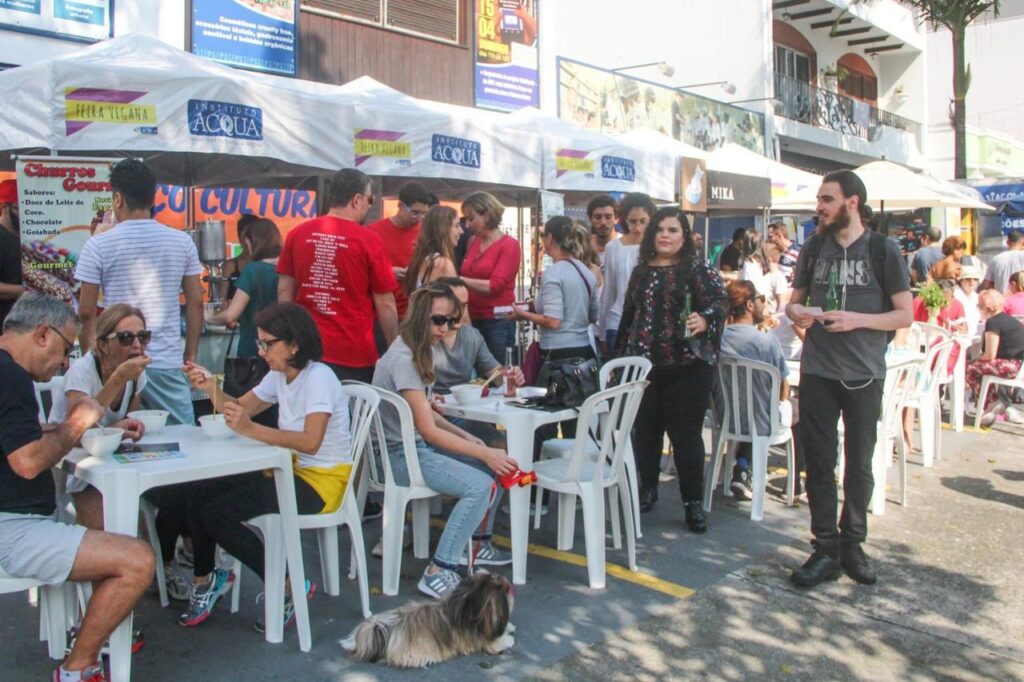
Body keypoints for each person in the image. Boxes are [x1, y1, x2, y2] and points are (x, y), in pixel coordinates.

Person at [0, 293, 154, 682]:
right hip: (13, 529)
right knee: (136, 560)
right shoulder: (11, 377)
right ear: (41, 335)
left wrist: (64, 426)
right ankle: (77, 668)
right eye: (65, 348)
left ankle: (87, 637)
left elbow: (17, 438)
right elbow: (28, 461)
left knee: (106, 537)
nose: (66, 362)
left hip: (17, 521)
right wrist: (77, 422)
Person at [182, 303, 353, 629]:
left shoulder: (319, 377)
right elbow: (237, 409)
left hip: (321, 483)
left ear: (294, 344)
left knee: (217, 512)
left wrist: (252, 430)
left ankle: (290, 583)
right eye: (260, 343)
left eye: (268, 344)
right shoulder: (279, 375)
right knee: (198, 489)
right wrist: (209, 388)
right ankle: (205, 580)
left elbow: (310, 441)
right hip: (284, 470)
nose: (261, 352)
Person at [786, 170, 912, 589]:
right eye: (819, 199)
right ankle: (824, 547)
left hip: (863, 372)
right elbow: (793, 303)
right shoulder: (813, 248)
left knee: (860, 461)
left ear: (852, 202)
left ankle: (852, 544)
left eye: (827, 199)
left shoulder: (882, 250)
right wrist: (798, 314)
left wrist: (857, 319)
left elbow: (904, 314)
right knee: (819, 462)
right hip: (818, 369)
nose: (819, 207)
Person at [373, 283, 518, 598]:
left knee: (488, 468)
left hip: (409, 450)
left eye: (452, 321)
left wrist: (471, 441)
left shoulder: (411, 350)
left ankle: (473, 546)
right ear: (419, 317)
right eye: (439, 320)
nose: (446, 328)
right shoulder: (406, 358)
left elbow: (428, 415)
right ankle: (440, 568)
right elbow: (428, 429)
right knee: (482, 483)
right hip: (402, 456)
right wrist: (485, 454)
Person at [616, 207, 729, 532]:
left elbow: (721, 302)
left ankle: (693, 504)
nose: (665, 235)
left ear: (684, 236)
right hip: (645, 367)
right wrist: (618, 355)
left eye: (673, 230)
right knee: (646, 432)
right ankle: (647, 490)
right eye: (660, 229)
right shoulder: (642, 270)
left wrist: (705, 318)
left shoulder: (697, 268)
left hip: (688, 366)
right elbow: (629, 314)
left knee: (686, 437)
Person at [76, 159, 204, 428]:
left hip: (116, 363)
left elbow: (86, 314)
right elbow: (195, 303)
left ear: (118, 198)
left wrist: (94, 360)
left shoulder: (97, 246)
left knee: (116, 440)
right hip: (165, 360)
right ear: (152, 197)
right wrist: (189, 354)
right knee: (182, 441)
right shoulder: (182, 242)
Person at [277, 168, 398, 384]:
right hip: (353, 353)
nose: (369, 205)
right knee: (352, 415)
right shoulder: (369, 240)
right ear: (357, 199)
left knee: (309, 414)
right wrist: (393, 346)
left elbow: (284, 291)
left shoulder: (297, 233)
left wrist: (287, 338)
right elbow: (386, 302)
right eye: (370, 200)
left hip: (305, 347)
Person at [719, 281, 793, 501]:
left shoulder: (718, 338)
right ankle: (795, 482)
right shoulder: (767, 341)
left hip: (724, 417)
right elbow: (783, 389)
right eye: (762, 300)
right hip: (759, 420)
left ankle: (742, 468)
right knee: (797, 409)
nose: (765, 304)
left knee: (751, 406)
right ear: (750, 305)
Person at [432, 277, 523, 446]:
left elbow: (495, 373)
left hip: (466, 413)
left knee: (506, 445)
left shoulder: (472, 336)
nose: (460, 311)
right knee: (497, 448)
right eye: (455, 304)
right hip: (434, 418)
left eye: (465, 305)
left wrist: (511, 376)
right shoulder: (426, 339)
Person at [458, 192, 521, 362]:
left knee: (499, 370)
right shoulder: (473, 241)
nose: (468, 224)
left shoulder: (509, 245)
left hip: (497, 320)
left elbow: (495, 286)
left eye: (472, 218)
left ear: (486, 215)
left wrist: (460, 280)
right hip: (472, 315)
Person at [205, 219, 281, 357]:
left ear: (254, 243)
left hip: (253, 348)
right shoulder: (285, 268)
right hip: (280, 349)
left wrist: (207, 318)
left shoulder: (252, 270)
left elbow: (230, 316)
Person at [368, 182, 437, 318]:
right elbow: (362, 270)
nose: (419, 219)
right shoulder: (373, 232)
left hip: (414, 311)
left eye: (424, 214)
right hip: (382, 311)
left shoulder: (424, 233)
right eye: (414, 213)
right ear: (400, 205)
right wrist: (388, 273)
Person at [599, 192, 655, 356]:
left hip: (648, 324)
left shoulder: (656, 248)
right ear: (624, 220)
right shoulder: (613, 247)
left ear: (650, 219)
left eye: (642, 221)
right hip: (616, 321)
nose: (637, 227)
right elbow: (608, 291)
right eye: (632, 221)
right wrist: (602, 333)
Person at [970, 289, 1024, 426]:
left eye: (979, 306)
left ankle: (990, 405)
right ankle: (992, 406)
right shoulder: (1010, 320)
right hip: (1019, 365)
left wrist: (977, 358)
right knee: (980, 369)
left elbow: (990, 354)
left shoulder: (993, 323)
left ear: (987, 307)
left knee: (970, 368)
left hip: (1011, 366)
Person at [403, 205, 462, 300]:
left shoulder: (421, 258)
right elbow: (455, 305)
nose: (461, 231)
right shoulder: (442, 264)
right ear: (443, 229)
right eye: (456, 226)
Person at [220, 213, 262, 302]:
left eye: (253, 235)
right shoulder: (230, 266)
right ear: (239, 237)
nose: (250, 240)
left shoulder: (267, 264)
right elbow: (221, 301)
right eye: (246, 236)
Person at [0, 178, 24, 326]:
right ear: (4, 207)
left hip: (26, 324)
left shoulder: (29, 238)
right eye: (19, 209)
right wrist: (22, 290)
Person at [981, 229, 1024, 293]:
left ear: (1007, 242)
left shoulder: (995, 259)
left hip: (1002, 300)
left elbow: (986, 284)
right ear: (1023, 242)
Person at [586, 194, 618, 262]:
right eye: (598, 217)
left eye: (608, 217)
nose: (603, 222)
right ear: (590, 219)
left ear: (616, 219)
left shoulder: (625, 245)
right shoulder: (584, 245)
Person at [955, 264, 983, 335]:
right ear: (961, 281)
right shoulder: (953, 296)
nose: (972, 282)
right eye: (968, 279)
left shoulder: (978, 298)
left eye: (975, 279)